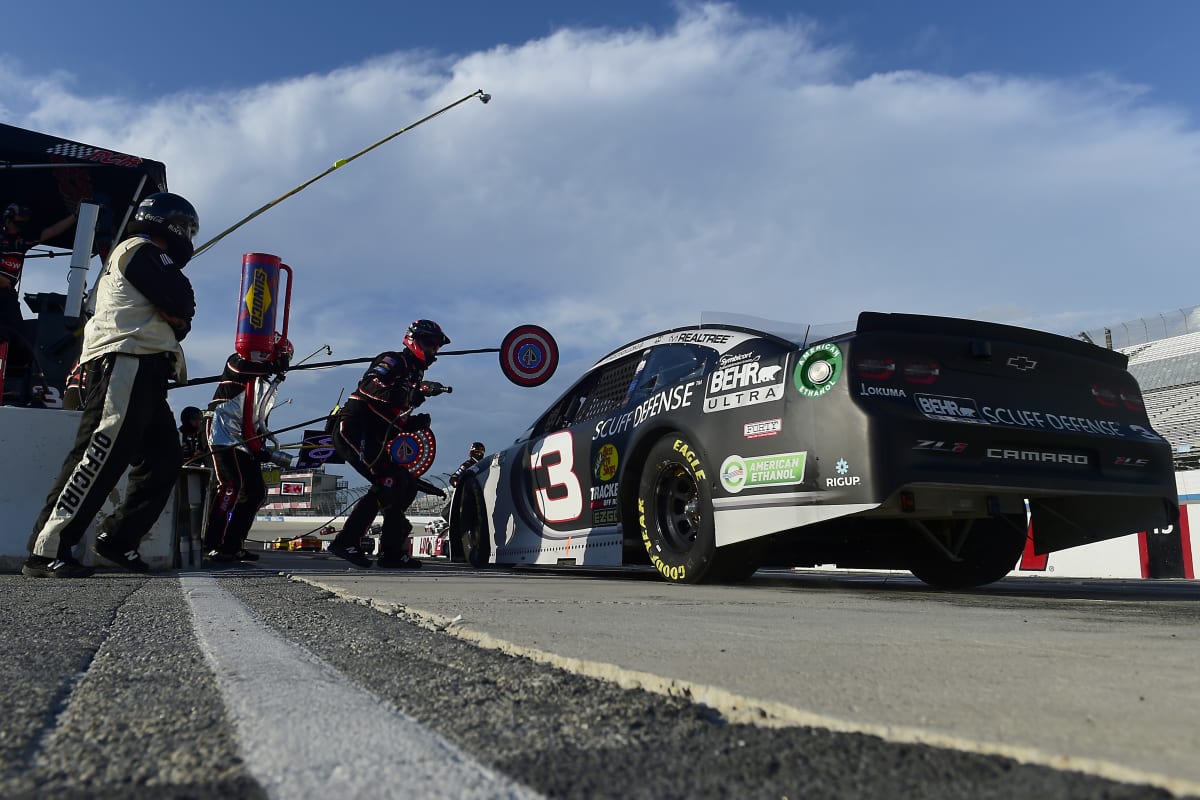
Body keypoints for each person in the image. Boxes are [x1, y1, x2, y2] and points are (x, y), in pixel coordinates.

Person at [22, 192, 199, 578]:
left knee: (163, 462)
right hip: (125, 362)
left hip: (148, 371)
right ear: (173, 225)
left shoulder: (146, 257)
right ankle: (47, 547)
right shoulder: (139, 249)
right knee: (99, 455)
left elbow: (179, 314)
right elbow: (180, 301)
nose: (190, 237)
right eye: (187, 229)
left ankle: (118, 539)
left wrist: (178, 313)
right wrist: (178, 310)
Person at [327, 319, 451, 569]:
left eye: (436, 347)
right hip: (353, 427)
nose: (433, 351)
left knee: (405, 485)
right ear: (413, 340)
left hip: (373, 435)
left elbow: (391, 415)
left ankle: (391, 551)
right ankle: (345, 541)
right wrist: (410, 395)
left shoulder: (415, 375)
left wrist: (413, 423)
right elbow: (371, 387)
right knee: (387, 481)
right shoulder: (394, 361)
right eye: (430, 344)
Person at [202, 341, 292, 563]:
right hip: (221, 431)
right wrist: (269, 366)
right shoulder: (239, 361)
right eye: (281, 357)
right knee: (231, 485)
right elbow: (239, 366)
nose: (283, 363)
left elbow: (260, 420)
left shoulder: (268, 387)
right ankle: (212, 544)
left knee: (256, 492)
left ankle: (233, 545)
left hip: (246, 438)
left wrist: (261, 448)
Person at [441, 441, 486, 521]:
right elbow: (453, 478)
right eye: (477, 452)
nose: (479, 455)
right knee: (446, 513)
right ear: (472, 452)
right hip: (465, 495)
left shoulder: (485, 465)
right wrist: (461, 487)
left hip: (480, 496)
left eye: (481, 453)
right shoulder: (468, 464)